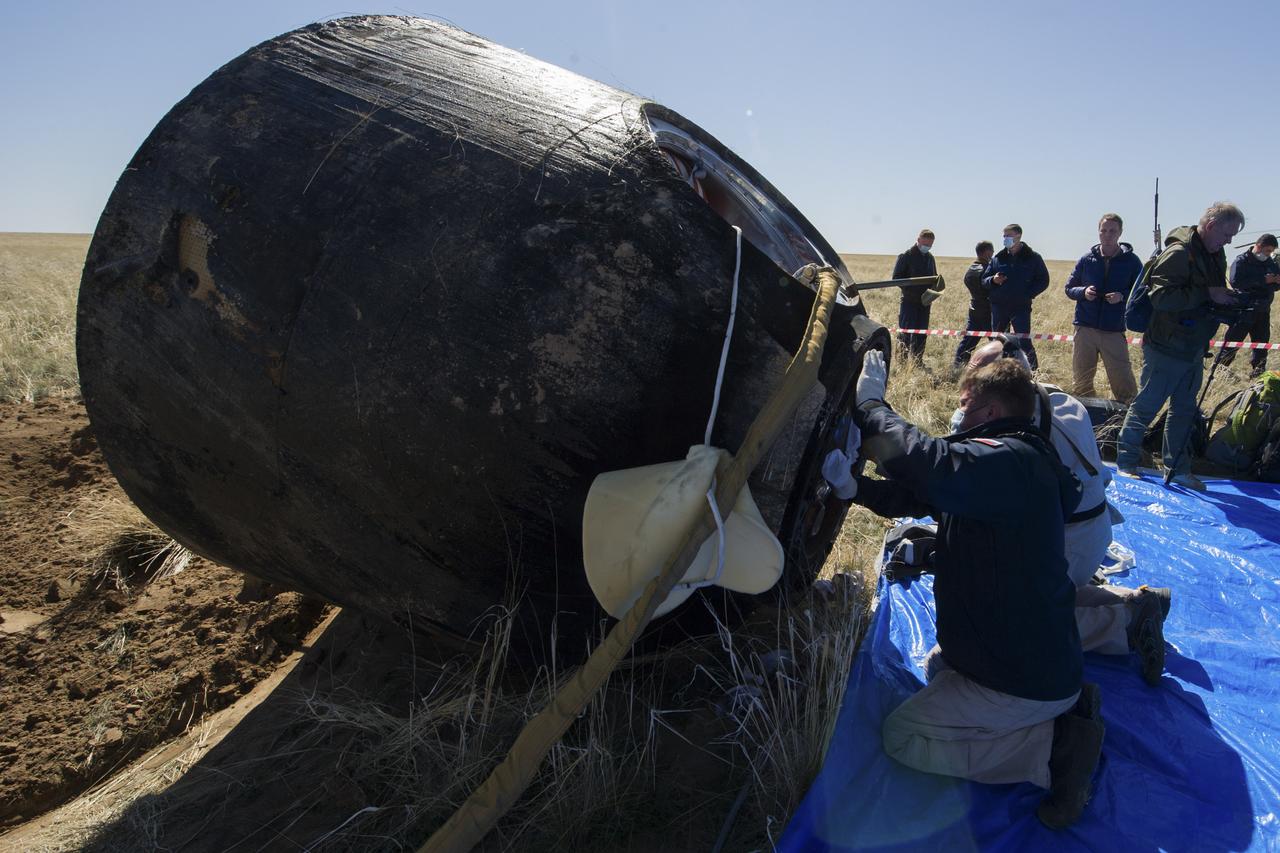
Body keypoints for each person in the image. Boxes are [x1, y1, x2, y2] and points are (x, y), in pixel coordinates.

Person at [833, 352, 1103, 829]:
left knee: (903, 736)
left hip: (1026, 680)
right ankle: (1047, 712)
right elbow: (918, 494)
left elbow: (930, 465)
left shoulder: (1011, 464)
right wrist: (853, 489)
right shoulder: (1008, 468)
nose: (957, 416)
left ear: (992, 412)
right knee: (937, 666)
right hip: (1025, 657)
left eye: (965, 406)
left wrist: (871, 407)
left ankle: (1054, 748)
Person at [967, 339, 1169, 686]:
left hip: (1068, 540)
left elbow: (965, 477)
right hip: (1092, 531)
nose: (969, 380)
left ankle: (1125, 626)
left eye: (976, 373)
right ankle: (1136, 602)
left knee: (1010, 623)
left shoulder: (1010, 420)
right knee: (1049, 588)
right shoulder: (1059, 398)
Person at [1115, 202, 1246, 491]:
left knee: (1184, 411)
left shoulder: (1213, 254)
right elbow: (1161, 299)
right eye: (1227, 233)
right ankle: (1126, 462)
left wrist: (1226, 298)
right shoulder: (1178, 254)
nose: (1229, 241)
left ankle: (1177, 469)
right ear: (1211, 226)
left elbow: (1207, 293)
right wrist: (1206, 293)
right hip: (1165, 346)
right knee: (1147, 406)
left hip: (1193, 346)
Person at [1064, 213, 1142, 402]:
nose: (1107, 235)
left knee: (1124, 383)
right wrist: (1083, 292)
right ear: (1099, 232)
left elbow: (1140, 292)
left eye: (1112, 231)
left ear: (1120, 233)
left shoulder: (1132, 261)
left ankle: (1129, 422)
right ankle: (1085, 422)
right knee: (1081, 383)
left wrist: (1122, 297)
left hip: (1113, 330)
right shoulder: (1086, 259)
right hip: (1085, 329)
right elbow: (1069, 288)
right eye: (1103, 230)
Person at [984, 224, 1050, 369]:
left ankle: (1033, 372)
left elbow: (1043, 280)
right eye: (1004, 236)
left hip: (1021, 307)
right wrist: (993, 280)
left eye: (1009, 236)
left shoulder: (1032, 257)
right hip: (999, 306)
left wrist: (1028, 294)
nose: (1005, 239)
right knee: (997, 341)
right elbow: (985, 280)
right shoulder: (998, 258)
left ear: (1018, 236)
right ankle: (997, 371)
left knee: (1024, 341)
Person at [1215, 234, 1280, 377]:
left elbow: (1275, 285)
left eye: (1271, 252)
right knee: (1232, 343)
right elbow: (1236, 282)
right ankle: (1219, 371)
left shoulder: (1270, 263)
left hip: (1263, 310)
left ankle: (1259, 374)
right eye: (1268, 251)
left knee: (1261, 345)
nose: (1269, 254)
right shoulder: (1241, 261)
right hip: (1244, 310)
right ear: (1259, 246)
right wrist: (1263, 281)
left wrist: (1276, 281)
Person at [893, 229, 939, 363]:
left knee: (921, 333)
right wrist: (912, 290)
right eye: (925, 244)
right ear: (918, 240)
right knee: (905, 333)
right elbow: (896, 278)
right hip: (909, 302)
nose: (927, 247)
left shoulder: (930, 258)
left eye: (930, 245)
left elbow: (934, 278)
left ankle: (917, 360)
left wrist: (933, 291)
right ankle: (902, 361)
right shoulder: (905, 256)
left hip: (925, 303)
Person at [953, 240, 995, 370]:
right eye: (992, 252)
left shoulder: (970, 269)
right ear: (987, 252)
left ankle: (958, 366)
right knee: (998, 342)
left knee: (969, 340)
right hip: (989, 309)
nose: (993, 254)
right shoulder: (987, 270)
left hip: (975, 307)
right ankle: (1001, 368)